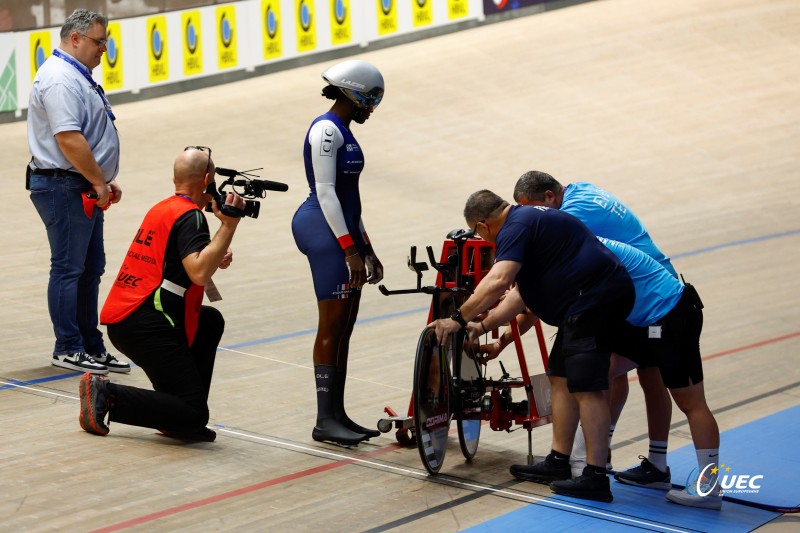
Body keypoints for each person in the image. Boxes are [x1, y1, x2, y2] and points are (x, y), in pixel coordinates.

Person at [431, 190, 635, 503]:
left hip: (594, 301)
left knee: (587, 389)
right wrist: (483, 326)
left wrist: (458, 318)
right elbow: (519, 296)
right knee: (560, 378)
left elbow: (499, 280)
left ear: (483, 226)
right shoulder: (527, 221)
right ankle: (558, 461)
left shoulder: (515, 227)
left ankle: (595, 476)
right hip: (583, 302)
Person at [511, 171, 675, 487]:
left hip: (646, 290)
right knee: (623, 374)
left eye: (536, 210)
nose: (534, 218)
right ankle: (623, 459)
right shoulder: (580, 191)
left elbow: (545, 283)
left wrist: (506, 334)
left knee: (621, 374)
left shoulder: (568, 217)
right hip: (644, 282)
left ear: (549, 196)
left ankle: (585, 460)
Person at [78, 147, 245, 442]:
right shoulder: (192, 216)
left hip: (130, 318)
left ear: (175, 178)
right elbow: (198, 273)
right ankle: (107, 393)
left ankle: (175, 418)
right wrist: (228, 226)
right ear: (207, 179)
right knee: (194, 412)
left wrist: (214, 250)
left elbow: (179, 266)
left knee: (209, 321)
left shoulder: (164, 208)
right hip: (148, 322)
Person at [27, 9, 129, 375]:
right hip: (62, 185)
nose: (104, 48)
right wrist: (98, 180)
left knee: (90, 269)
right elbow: (68, 139)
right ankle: (67, 346)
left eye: (106, 41)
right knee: (70, 269)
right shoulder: (59, 80)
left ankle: (90, 344)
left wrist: (99, 177)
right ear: (75, 39)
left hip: (78, 183)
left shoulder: (75, 75)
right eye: (99, 41)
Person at [291, 60, 386, 446]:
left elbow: (351, 201)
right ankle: (323, 419)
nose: (372, 110)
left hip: (342, 229)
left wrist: (367, 247)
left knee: (344, 326)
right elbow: (328, 193)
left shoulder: (343, 129)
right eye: (371, 101)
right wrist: (349, 250)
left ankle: (338, 413)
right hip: (323, 228)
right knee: (331, 325)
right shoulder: (326, 130)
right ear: (355, 94)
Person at [596, 237, 721, 509]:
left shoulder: (582, 246)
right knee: (599, 374)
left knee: (692, 403)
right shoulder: (583, 240)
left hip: (670, 317)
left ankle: (710, 489)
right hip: (652, 319)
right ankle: (609, 462)